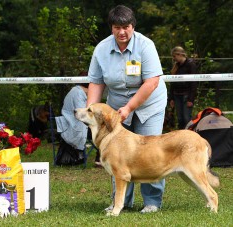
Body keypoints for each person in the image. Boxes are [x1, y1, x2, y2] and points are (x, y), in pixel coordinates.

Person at [86, 5, 167, 213]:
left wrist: (129, 107)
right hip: (116, 108)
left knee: (151, 152)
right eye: (117, 27)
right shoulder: (101, 50)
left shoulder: (146, 46)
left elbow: (151, 83)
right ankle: (121, 202)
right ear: (111, 28)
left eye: (126, 27)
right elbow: (96, 83)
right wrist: (90, 113)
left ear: (133, 26)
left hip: (149, 104)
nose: (122, 32)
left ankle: (152, 202)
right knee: (117, 154)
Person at [55, 79, 100, 166]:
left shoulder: (75, 91)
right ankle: (99, 160)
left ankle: (100, 159)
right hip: (76, 126)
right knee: (103, 132)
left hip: (72, 124)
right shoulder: (78, 93)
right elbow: (84, 114)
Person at [169, 46, 198, 129]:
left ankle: (189, 135)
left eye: (174, 56)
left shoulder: (191, 65)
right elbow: (172, 83)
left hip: (186, 95)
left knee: (186, 118)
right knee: (180, 118)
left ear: (179, 54)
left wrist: (191, 99)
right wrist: (171, 98)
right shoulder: (176, 67)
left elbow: (194, 83)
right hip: (176, 95)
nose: (173, 58)